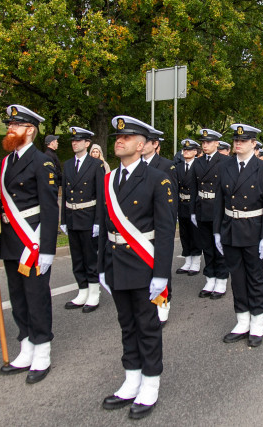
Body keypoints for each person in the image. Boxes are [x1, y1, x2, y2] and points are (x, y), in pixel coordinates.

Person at [98, 115, 175, 420]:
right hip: (117, 264)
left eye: (127, 138)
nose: (119, 141)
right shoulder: (108, 179)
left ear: (142, 145)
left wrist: (161, 275)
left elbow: (166, 231)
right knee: (126, 324)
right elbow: (105, 227)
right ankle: (131, 379)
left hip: (144, 265)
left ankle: (151, 384)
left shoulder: (158, 179)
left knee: (147, 326)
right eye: (118, 137)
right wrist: (102, 267)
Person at [0, 105, 58, 384]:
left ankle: (42, 349)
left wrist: (46, 249)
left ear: (30, 130)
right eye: (10, 125)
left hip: (31, 241)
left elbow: (49, 208)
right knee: (17, 296)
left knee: (36, 297)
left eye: (17, 125)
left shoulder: (41, 161)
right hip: (11, 240)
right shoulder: (7, 161)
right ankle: (26, 345)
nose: (11, 129)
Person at [214, 123, 263, 347]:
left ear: (253, 143)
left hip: (253, 229)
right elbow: (219, 202)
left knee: (255, 277)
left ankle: (257, 321)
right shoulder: (225, 166)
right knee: (237, 278)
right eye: (236, 140)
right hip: (230, 229)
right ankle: (242, 320)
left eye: (243, 140)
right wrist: (216, 231)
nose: (238, 143)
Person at [61, 126, 105, 313]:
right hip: (72, 217)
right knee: (77, 257)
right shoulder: (68, 165)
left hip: (88, 217)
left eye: (78, 140)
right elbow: (64, 194)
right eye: (73, 141)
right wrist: (63, 219)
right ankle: (82, 290)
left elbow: (101, 196)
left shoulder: (96, 165)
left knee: (90, 257)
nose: (75, 143)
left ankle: (94, 292)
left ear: (87, 143)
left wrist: (98, 222)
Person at [189, 128, 230, 298]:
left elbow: (228, 189)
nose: (205, 145)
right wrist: (192, 211)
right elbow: (193, 188)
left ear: (216, 143)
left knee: (219, 245)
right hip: (202, 208)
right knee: (207, 245)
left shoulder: (226, 161)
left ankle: (221, 279)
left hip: (218, 207)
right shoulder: (197, 162)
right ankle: (210, 277)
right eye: (203, 142)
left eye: (208, 142)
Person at [142, 127, 177, 323]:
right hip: (140, 225)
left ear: (155, 144)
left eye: (147, 141)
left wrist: (170, 224)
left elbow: (171, 199)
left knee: (160, 263)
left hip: (160, 223)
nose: (143, 144)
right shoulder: (135, 164)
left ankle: (164, 301)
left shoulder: (166, 166)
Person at [175, 139, 202, 276]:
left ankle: (196, 262)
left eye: (189, 150)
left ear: (195, 152)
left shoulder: (199, 165)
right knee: (184, 233)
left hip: (194, 204)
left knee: (195, 234)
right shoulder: (178, 166)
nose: (186, 152)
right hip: (181, 203)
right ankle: (187, 260)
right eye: (184, 150)